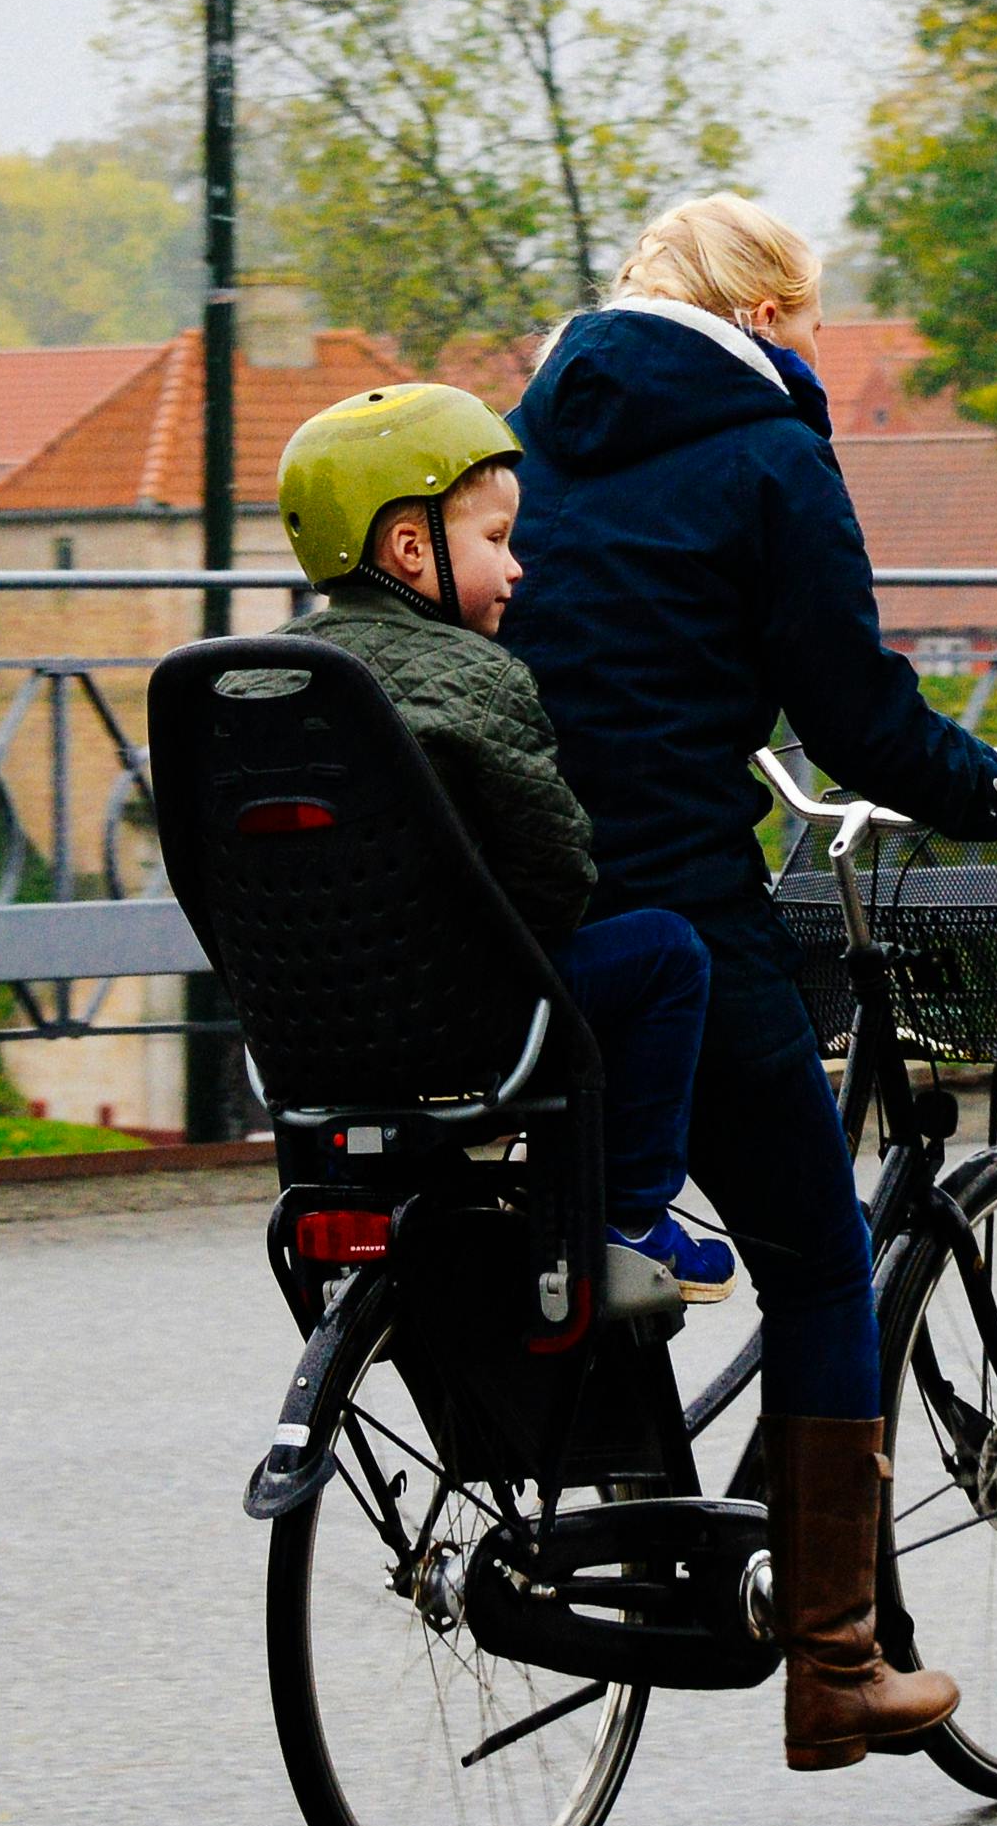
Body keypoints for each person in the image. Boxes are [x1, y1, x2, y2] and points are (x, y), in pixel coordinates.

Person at [500, 193, 997, 1774]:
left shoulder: (525, 450)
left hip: (520, 912)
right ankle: (835, 1668)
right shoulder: (769, 454)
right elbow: (856, 725)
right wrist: (989, 785)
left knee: (609, 1208)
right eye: (811, 321)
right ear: (770, 317)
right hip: (676, 897)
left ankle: (636, 1516)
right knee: (814, 1261)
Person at [272, 382, 737, 1303]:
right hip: (458, 1025)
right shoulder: (480, 677)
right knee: (666, 955)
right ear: (410, 550)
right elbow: (555, 876)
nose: (517, 567)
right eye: (495, 541)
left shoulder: (275, 678)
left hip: (301, 1033)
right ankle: (634, 1212)